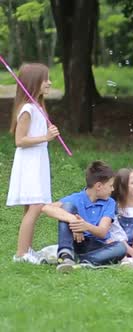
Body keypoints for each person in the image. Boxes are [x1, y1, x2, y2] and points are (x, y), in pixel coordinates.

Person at [6, 63, 60, 264]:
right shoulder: (27, 109)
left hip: (37, 161)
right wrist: (45, 137)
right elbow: (19, 141)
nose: (50, 83)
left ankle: (27, 250)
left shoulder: (37, 106)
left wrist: (46, 135)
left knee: (32, 206)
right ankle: (21, 254)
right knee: (36, 205)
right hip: (29, 163)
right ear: (34, 82)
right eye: (46, 79)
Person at [41, 161, 127, 272]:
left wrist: (85, 226)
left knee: (121, 248)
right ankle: (66, 255)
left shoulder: (110, 202)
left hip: (97, 245)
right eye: (110, 186)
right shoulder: (77, 198)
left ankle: (81, 260)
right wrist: (73, 220)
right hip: (77, 242)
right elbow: (46, 208)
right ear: (99, 186)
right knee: (67, 207)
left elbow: (102, 232)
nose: (112, 189)